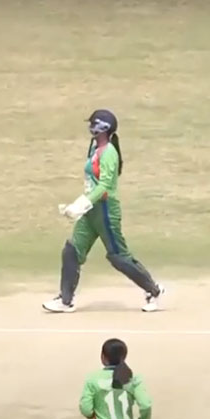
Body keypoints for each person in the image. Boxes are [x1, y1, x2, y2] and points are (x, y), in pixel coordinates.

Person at [43, 109, 165, 314]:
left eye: (93, 124)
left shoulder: (109, 153)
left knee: (118, 256)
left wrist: (83, 203)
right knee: (72, 250)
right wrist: (81, 205)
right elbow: (92, 182)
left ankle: (153, 290)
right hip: (92, 209)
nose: (90, 127)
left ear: (101, 128)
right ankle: (65, 300)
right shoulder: (94, 148)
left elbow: (106, 185)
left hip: (106, 209)